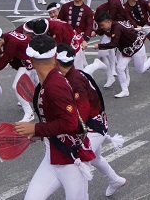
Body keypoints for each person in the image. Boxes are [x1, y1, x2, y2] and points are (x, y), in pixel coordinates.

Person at [13, 35, 95, 200]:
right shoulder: (48, 80)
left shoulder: (55, 85)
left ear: (30, 58)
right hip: (53, 156)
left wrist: (36, 128)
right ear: (55, 56)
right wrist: (38, 133)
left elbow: (69, 122)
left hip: (71, 159)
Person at [54, 44, 127, 197]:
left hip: (93, 128)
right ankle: (115, 180)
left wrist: (65, 127)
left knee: (81, 164)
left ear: (56, 61)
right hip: (97, 123)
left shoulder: (74, 81)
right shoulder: (75, 74)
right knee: (95, 158)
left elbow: (83, 110)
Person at [0, 26, 35, 122]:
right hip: (29, 61)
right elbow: (6, 56)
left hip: (31, 63)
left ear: (0, 40)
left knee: (17, 86)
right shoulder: (6, 36)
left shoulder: (12, 42)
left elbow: (3, 63)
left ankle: (29, 113)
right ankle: (40, 102)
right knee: (38, 85)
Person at [94, 13, 150, 98]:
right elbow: (104, 32)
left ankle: (149, 61)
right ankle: (125, 90)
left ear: (108, 22)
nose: (101, 27)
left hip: (137, 48)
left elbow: (113, 44)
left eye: (102, 25)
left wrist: (99, 46)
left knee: (139, 70)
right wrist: (95, 32)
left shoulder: (116, 28)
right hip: (126, 50)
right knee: (119, 68)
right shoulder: (114, 25)